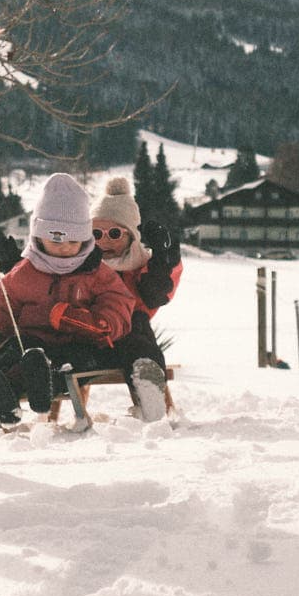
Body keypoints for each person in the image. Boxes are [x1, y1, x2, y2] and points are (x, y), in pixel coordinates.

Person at [0, 173, 138, 424]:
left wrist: (96, 323)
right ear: (38, 236)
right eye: (56, 239)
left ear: (85, 238)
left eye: (73, 240)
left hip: (79, 341)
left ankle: (43, 385)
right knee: (10, 355)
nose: (64, 247)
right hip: (32, 343)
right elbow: (1, 304)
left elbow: (118, 303)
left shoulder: (96, 272)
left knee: (73, 363)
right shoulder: (24, 271)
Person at [88, 176, 182, 419]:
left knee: (137, 325)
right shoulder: (82, 266)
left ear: (131, 236)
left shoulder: (140, 266)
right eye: (96, 233)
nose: (104, 241)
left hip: (129, 339)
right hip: (87, 340)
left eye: (114, 233)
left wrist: (164, 259)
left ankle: (148, 382)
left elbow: (157, 294)